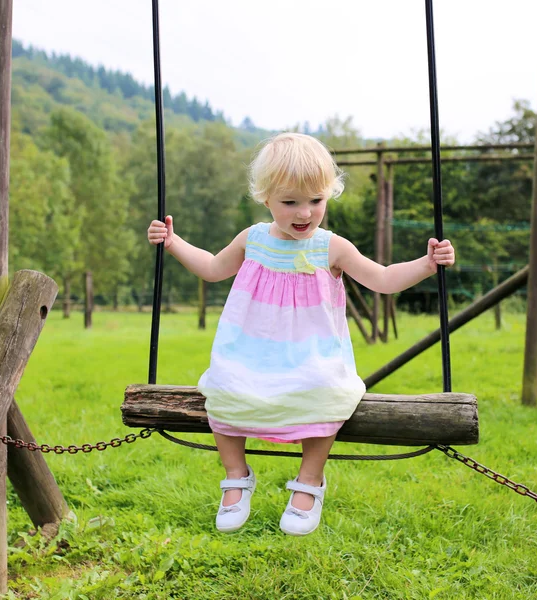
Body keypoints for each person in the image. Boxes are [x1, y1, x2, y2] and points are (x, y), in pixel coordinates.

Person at [147, 132, 455, 536]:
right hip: (249, 350)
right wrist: (173, 242)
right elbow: (211, 267)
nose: (304, 212)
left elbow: (381, 278)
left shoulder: (333, 247)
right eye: (290, 202)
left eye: (316, 201)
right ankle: (236, 475)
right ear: (265, 197)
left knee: (323, 388)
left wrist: (427, 265)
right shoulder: (252, 239)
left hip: (313, 354)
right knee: (223, 386)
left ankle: (310, 479)